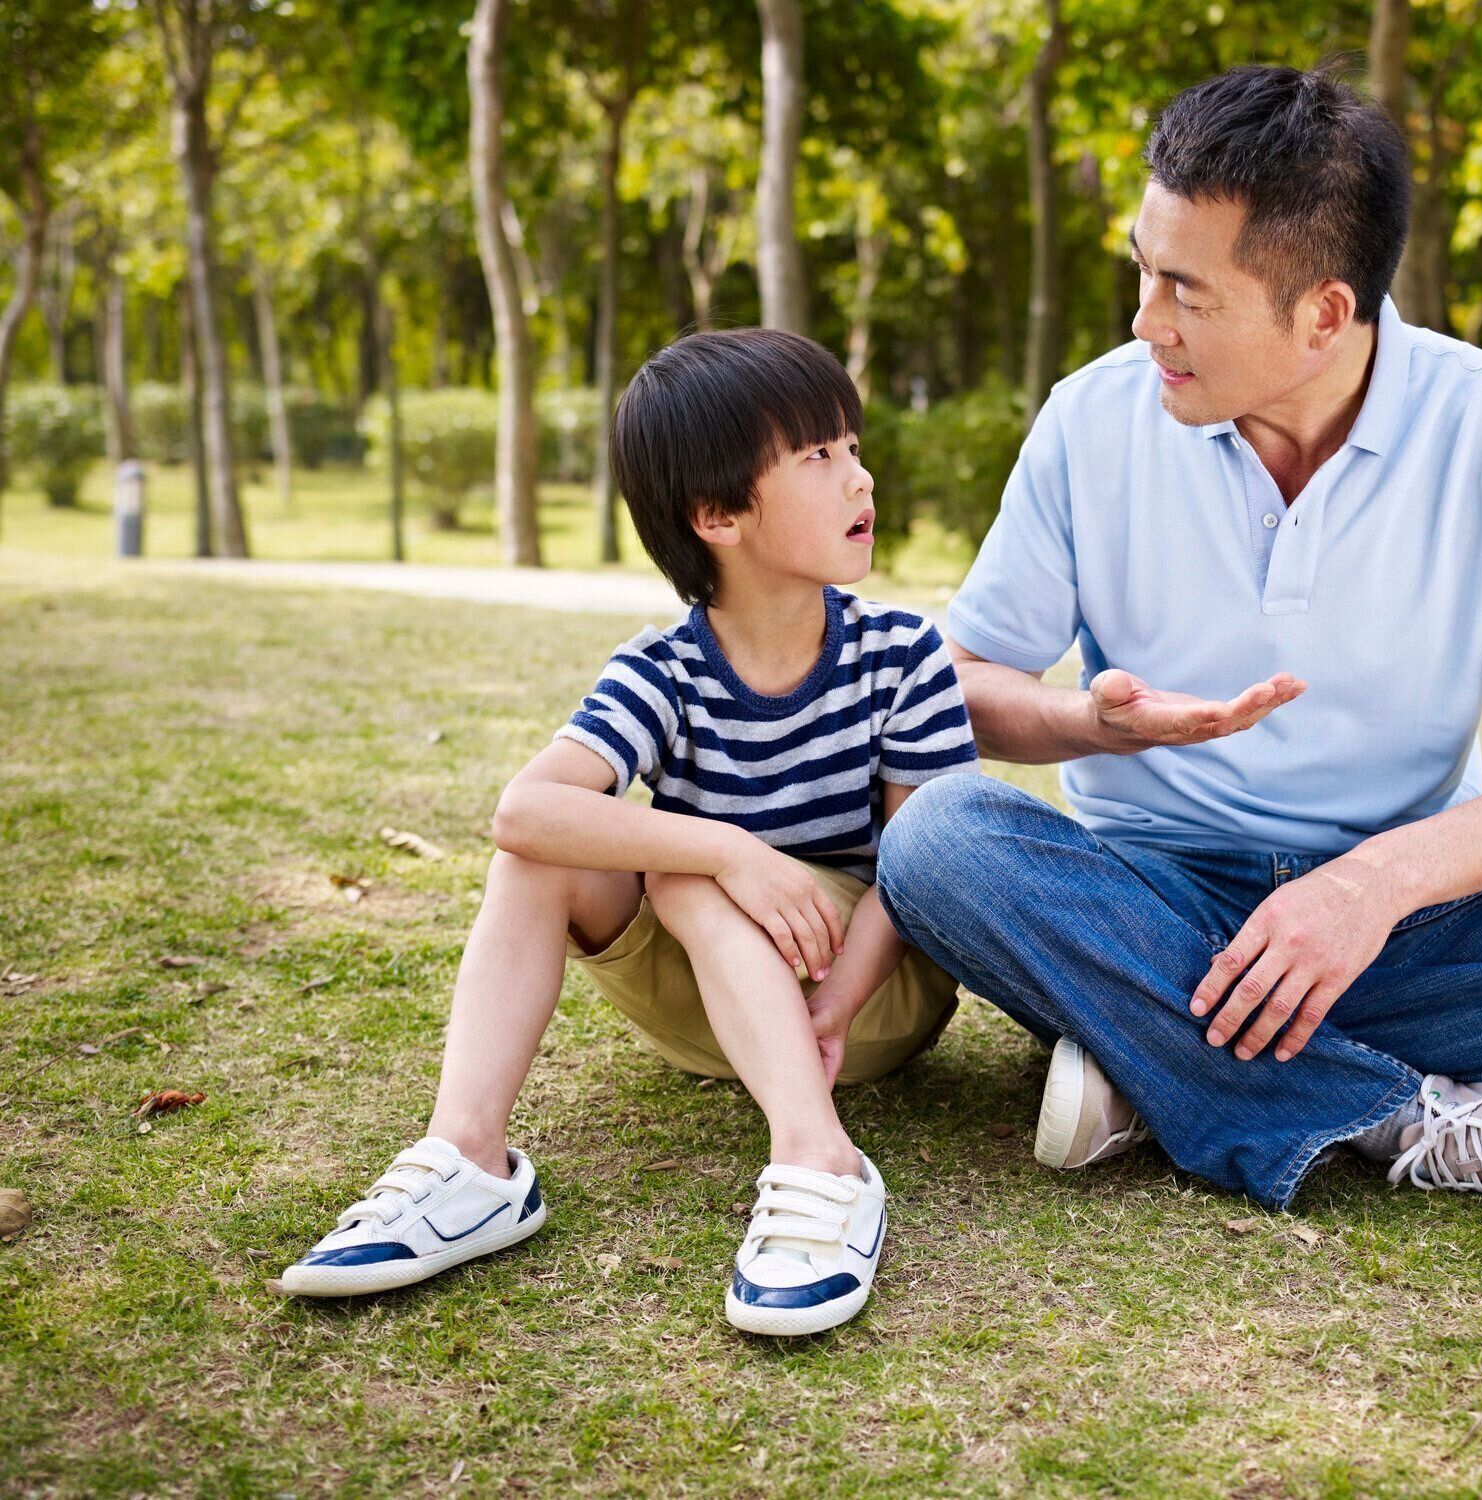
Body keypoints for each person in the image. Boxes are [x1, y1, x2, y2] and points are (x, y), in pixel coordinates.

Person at [874, 64, 1482, 1218]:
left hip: (1410, 909)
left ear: (1324, 314)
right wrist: (1083, 725)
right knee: (940, 843)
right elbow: (966, 684)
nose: (1143, 322)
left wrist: (1369, 887)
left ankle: (1151, 1058)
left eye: (1183, 293)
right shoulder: (1089, 418)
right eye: (1140, 271)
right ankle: (1406, 1117)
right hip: (1153, 894)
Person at [282, 329, 979, 1336]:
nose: (859, 477)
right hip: (710, 1007)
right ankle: (469, 1157)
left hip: (865, 1000)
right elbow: (523, 810)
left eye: (852, 446)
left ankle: (817, 1156)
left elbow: (921, 865)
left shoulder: (899, 651)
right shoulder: (662, 667)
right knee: (576, 857)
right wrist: (728, 849)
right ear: (716, 514)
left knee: (679, 864)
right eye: (818, 457)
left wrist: (828, 1008)